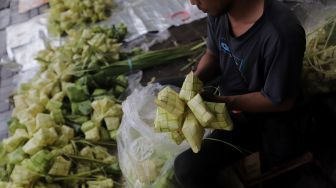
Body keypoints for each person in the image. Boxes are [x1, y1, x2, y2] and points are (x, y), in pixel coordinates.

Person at [174, 0, 307, 187]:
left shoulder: (281, 33)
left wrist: (223, 102)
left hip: (261, 118)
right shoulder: (218, 11)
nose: (193, 2)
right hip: (228, 89)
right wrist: (193, 81)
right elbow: (213, 54)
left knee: (186, 168)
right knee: (167, 88)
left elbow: (281, 102)